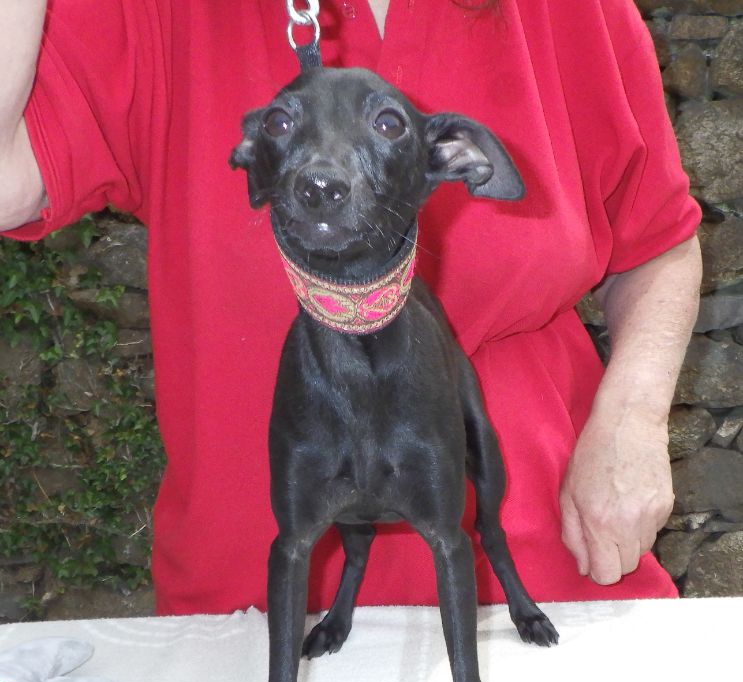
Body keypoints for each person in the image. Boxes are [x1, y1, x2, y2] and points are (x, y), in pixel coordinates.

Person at [0, 0, 702, 616]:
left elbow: (656, 240)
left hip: (545, 568)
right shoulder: (159, 14)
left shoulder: (566, 12)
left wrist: (631, 423)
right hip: (264, 597)